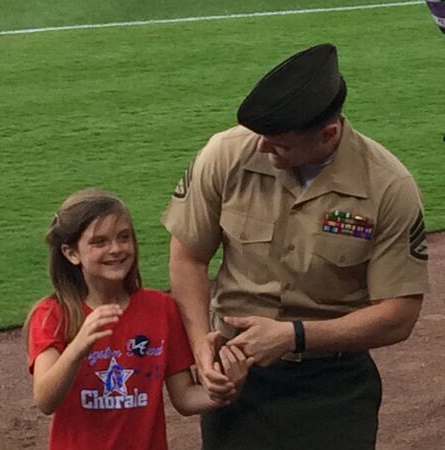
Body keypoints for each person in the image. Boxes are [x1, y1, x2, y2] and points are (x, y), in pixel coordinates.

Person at [162, 43, 430, 450]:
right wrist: (201, 345)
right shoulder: (226, 153)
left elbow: (399, 316)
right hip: (238, 382)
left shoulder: (388, 188)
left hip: (333, 390)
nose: (262, 149)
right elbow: (187, 257)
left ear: (328, 134)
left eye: (280, 145)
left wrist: (294, 336)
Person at [24, 188, 248, 450]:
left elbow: (185, 398)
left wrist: (227, 387)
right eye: (100, 242)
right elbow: (45, 400)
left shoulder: (161, 309)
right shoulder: (53, 314)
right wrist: (78, 347)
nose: (116, 249)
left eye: (124, 237)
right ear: (71, 253)